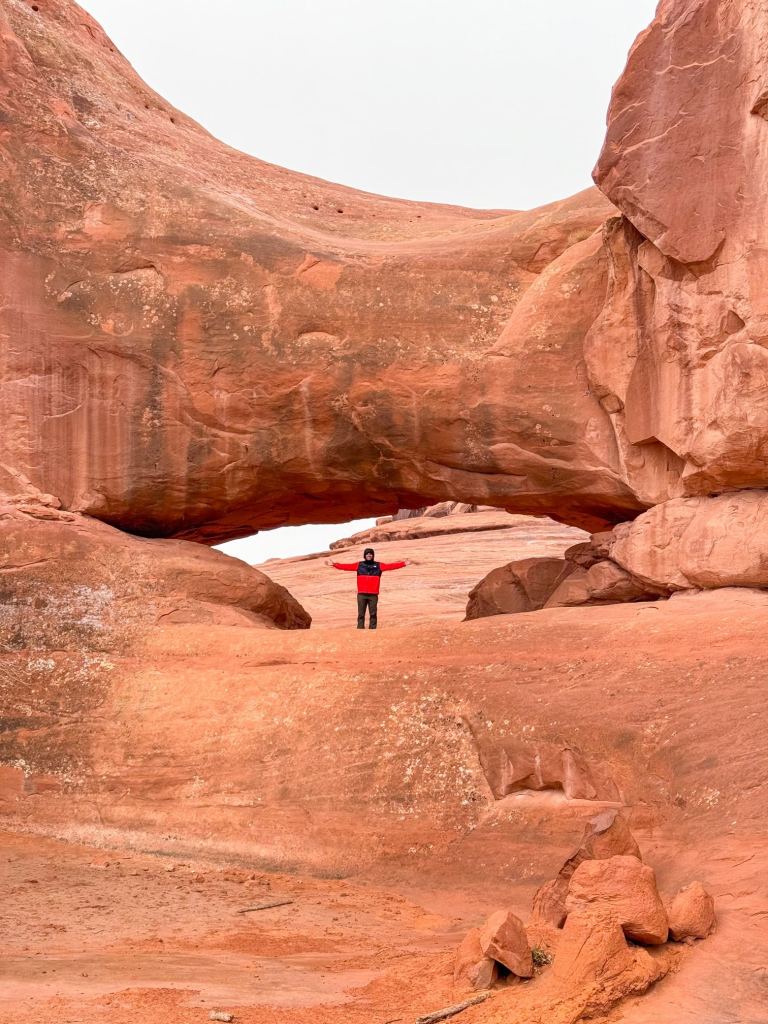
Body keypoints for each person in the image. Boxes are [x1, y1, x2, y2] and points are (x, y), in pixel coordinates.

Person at [325, 547, 410, 629]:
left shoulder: (378, 565)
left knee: (373, 614)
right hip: (362, 594)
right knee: (361, 614)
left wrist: (403, 564)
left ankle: (372, 631)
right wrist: (334, 565)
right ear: (364, 555)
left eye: (370, 554)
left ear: (373, 555)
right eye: (367, 554)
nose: (369, 555)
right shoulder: (359, 565)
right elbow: (346, 567)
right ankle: (360, 630)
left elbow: (390, 566)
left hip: (373, 595)